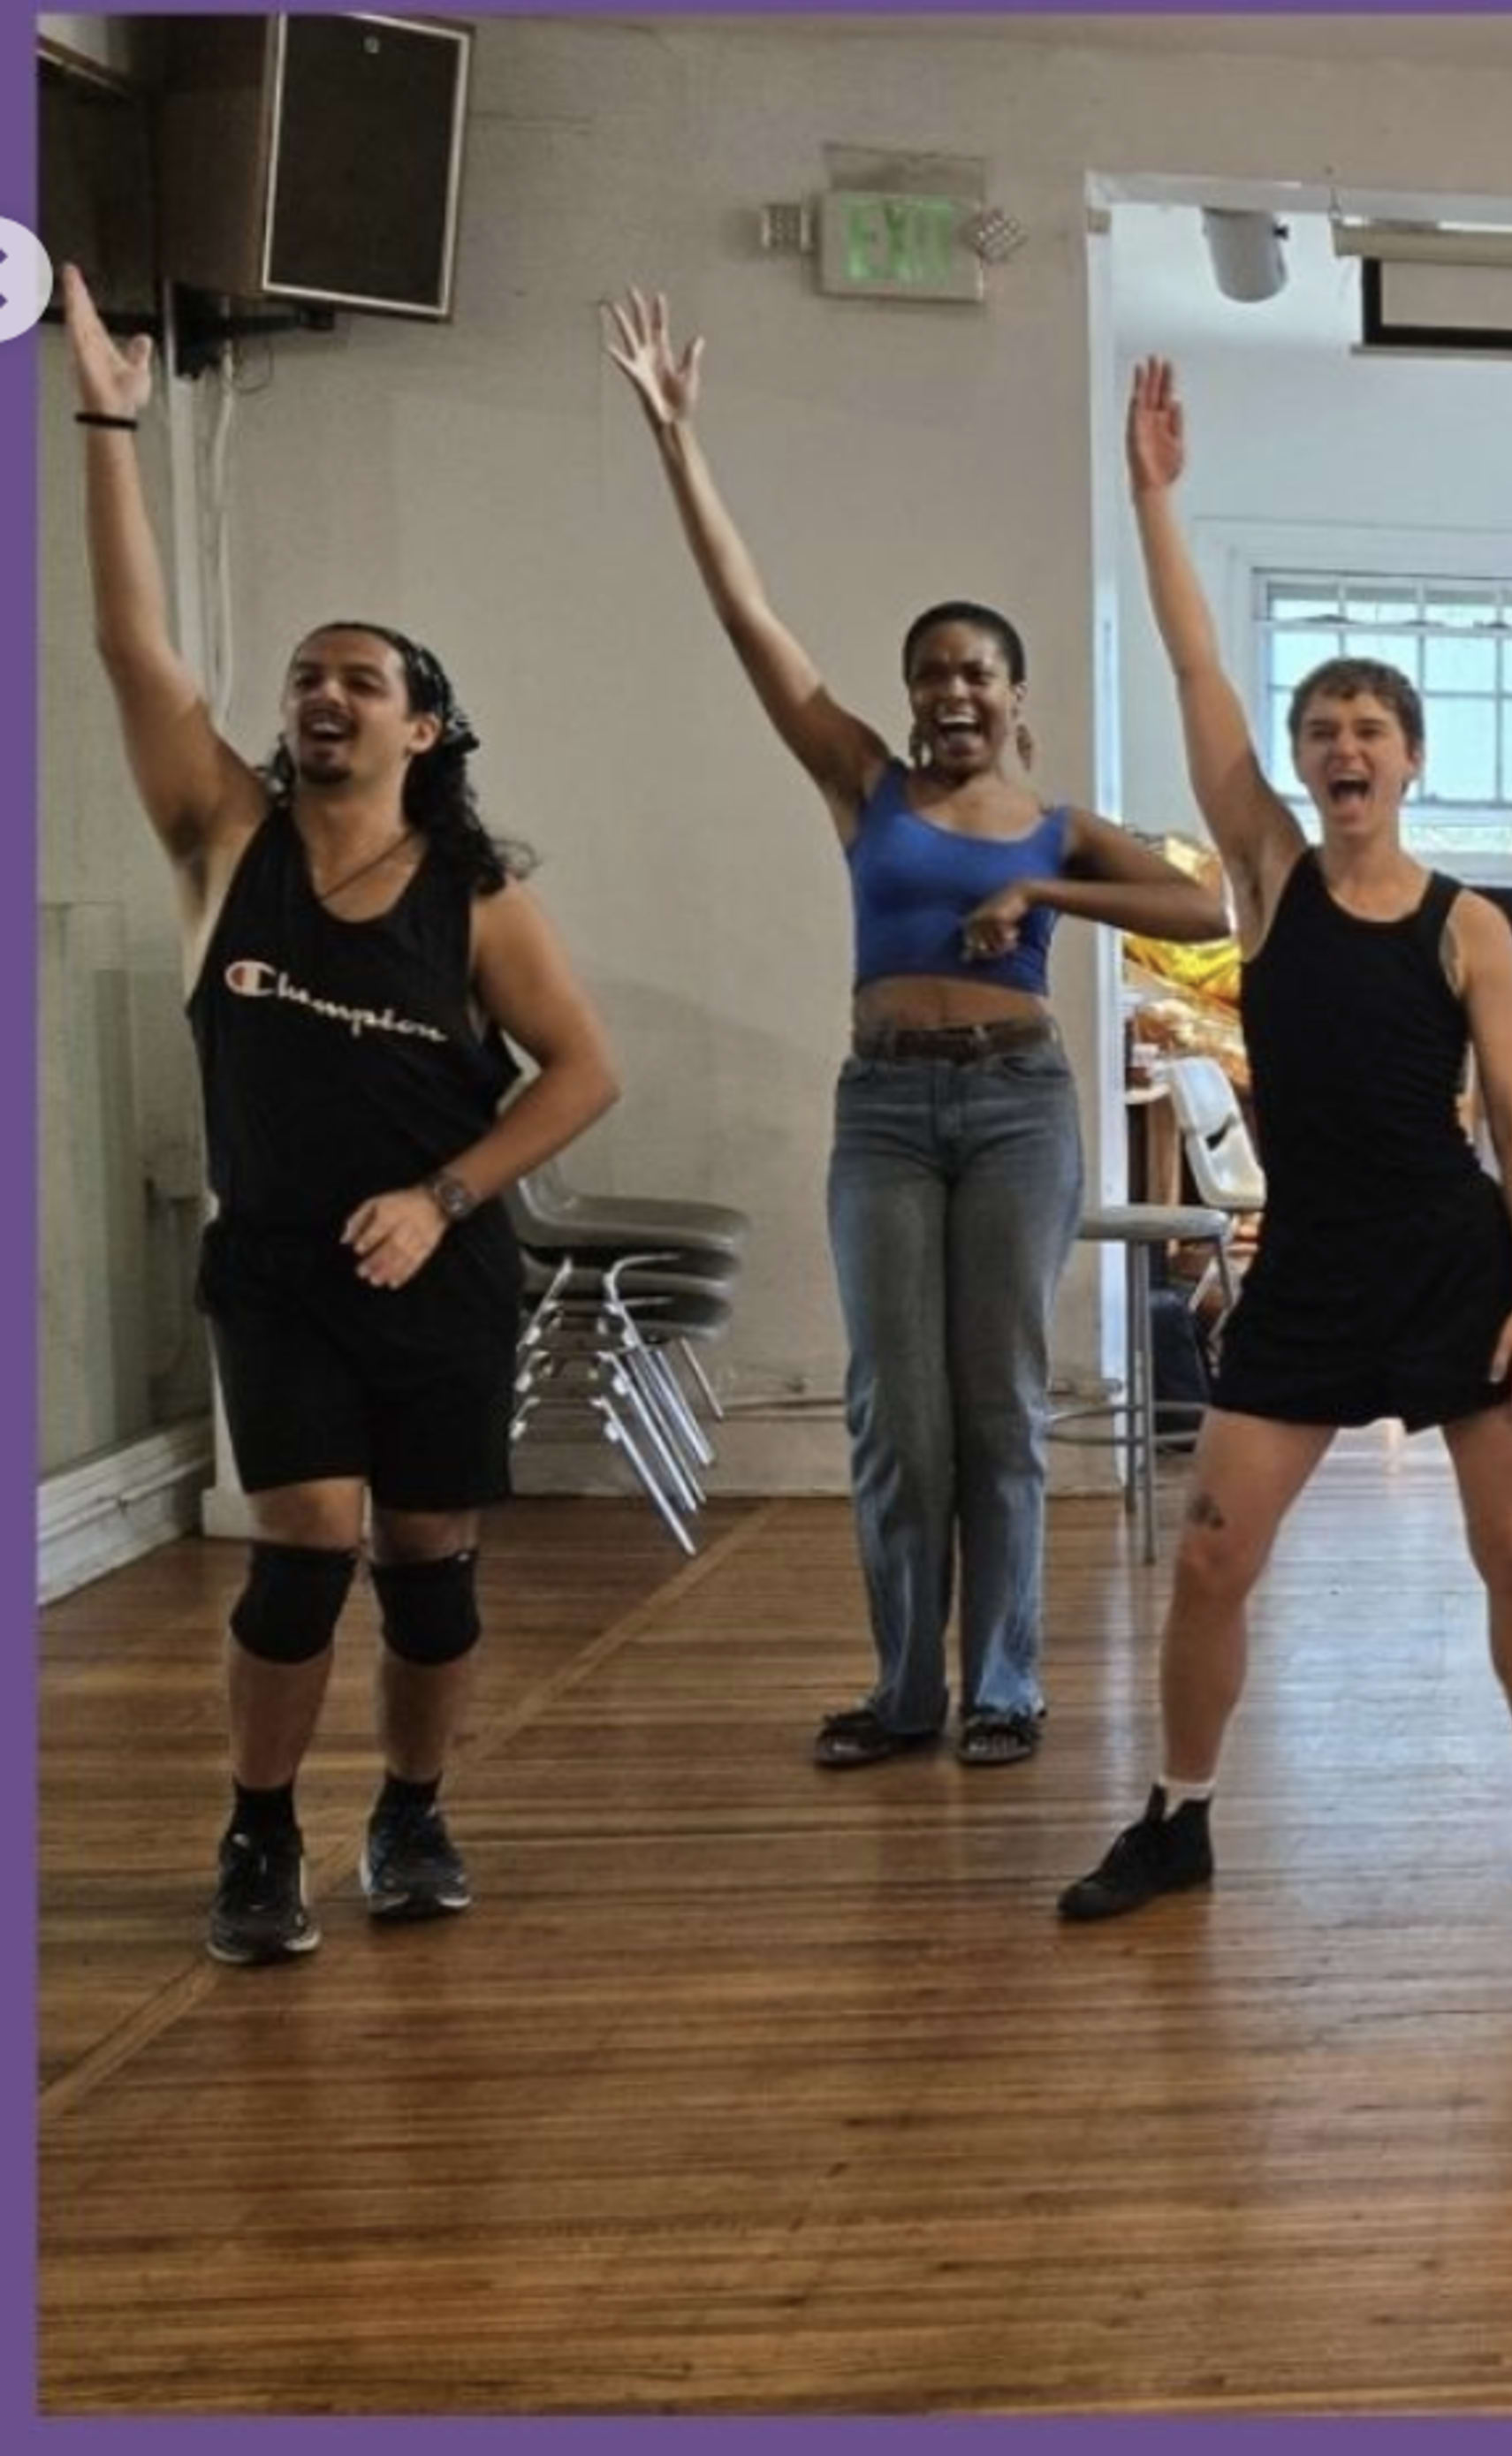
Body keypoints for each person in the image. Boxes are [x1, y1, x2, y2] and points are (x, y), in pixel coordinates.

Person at [61, 267, 626, 1965]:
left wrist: (446, 1196)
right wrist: (106, 422)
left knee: (431, 1560)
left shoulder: (477, 895)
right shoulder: (222, 842)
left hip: (438, 1264)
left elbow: (584, 1075)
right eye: (307, 672)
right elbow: (129, 646)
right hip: (284, 1264)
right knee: (306, 1544)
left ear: (421, 724)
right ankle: (257, 1832)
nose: (323, 692)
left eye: (361, 677)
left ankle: (413, 1806)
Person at [600, 290, 1227, 1774]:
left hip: (1018, 1108)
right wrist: (678, 437)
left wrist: (1043, 884)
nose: (950, 691)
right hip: (883, 1111)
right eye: (931, 671)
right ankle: (904, 1690)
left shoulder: (1064, 821)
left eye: (975, 673)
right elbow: (750, 622)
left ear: (1016, 700)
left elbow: (1204, 913)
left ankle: (1003, 1683)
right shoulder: (863, 784)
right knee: (898, 1411)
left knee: (1001, 1404)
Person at [1059, 357, 1512, 1920]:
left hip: (1450, 1261)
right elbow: (1193, 677)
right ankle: (1177, 1813)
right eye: (1323, 726)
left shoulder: (1466, 930)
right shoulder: (1266, 870)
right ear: (1304, 763)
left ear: (1412, 756)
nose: (1342, 745)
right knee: (1211, 1551)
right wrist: (1155, 498)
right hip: (1307, 1263)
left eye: (1369, 724)